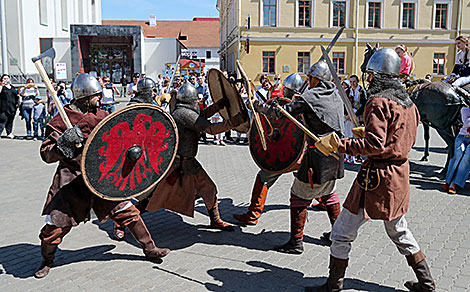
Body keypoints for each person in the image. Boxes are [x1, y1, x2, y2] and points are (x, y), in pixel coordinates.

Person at [309, 48, 435, 292]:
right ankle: (427, 283)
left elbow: (374, 146)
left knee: (342, 232)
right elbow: (396, 138)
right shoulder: (409, 103)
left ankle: (333, 286)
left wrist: (340, 144)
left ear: (380, 76)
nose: (367, 80)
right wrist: (365, 133)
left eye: (370, 75)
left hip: (376, 179)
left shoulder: (377, 102)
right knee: (399, 230)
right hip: (399, 176)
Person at [34, 73, 169, 279]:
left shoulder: (103, 116)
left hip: (103, 179)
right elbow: (46, 154)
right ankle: (47, 261)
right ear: (85, 96)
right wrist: (64, 144)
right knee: (54, 227)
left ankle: (149, 248)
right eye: (96, 94)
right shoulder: (62, 119)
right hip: (71, 181)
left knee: (128, 212)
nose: (100, 97)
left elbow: (123, 140)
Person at [251, 61, 344, 254]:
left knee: (298, 196)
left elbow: (280, 113)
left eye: (310, 78)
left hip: (317, 157)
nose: (308, 81)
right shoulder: (336, 96)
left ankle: (296, 242)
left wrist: (258, 106)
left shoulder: (309, 97)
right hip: (335, 155)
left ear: (317, 79)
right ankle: (338, 235)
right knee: (329, 193)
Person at [145, 81, 246, 231]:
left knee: (209, 188)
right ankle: (125, 219)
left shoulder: (186, 110)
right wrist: (235, 121)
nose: (197, 101)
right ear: (190, 100)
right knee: (155, 196)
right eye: (195, 100)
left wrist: (218, 105)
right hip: (176, 164)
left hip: (189, 163)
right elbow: (210, 128)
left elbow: (202, 115)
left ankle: (215, 220)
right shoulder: (183, 114)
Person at [443, 106, 470, 194]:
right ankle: (448, 180)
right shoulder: (465, 109)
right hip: (462, 137)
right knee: (458, 155)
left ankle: (454, 183)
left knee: (466, 157)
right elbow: (466, 123)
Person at [0, 74, 19, 138]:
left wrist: (17, 104)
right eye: (4, 78)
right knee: (2, 121)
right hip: (3, 107)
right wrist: (1, 85)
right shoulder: (1, 87)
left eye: (7, 78)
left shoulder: (12, 87)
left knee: (10, 121)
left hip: (12, 107)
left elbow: (16, 96)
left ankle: (9, 132)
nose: (6, 80)